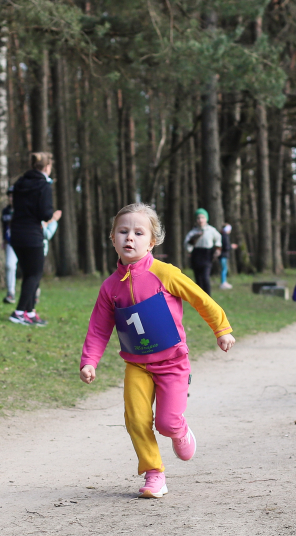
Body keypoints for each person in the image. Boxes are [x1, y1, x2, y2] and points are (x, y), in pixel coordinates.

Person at [79, 203, 235, 499]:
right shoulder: (110, 287)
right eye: (123, 232)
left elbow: (200, 298)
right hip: (137, 365)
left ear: (151, 242)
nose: (130, 238)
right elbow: (99, 328)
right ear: (112, 238)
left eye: (138, 233)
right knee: (136, 419)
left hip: (173, 362)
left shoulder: (164, 273)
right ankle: (154, 473)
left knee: (165, 421)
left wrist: (222, 328)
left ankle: (178, 430)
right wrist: (90, 361)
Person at [8, 152, 56, 326]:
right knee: (35, 274)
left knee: (29, 273)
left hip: (16, 233)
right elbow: (45, 213)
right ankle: (19, 312)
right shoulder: (44, 185)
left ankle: (30, 312)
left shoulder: (20, 183)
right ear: (47, 167)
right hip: (32, 234)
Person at [183, 208, 223, 294]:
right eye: (198, 218)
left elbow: (218, 239)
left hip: (207, 255)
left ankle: (208, 298)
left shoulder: (211, 230)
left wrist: (218, 249)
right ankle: (200, 300)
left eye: (202, 217)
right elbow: (187, 245)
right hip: (196, 255)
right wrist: (193, 240)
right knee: (198, 279)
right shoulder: (193, 232)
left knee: (205, 277)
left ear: (206, 219)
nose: (200, 220)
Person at [32, 210, 63, 310]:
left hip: (41, 251)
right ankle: (31, 297)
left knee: (36, 275)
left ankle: (34, 297)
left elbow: (47, 235)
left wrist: (46, 223)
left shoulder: (53, 223)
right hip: (30, 247)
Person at [1, 186, 16, 304]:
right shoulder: (5, 211)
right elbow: (4, 227)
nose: (12, 198)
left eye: (14, 195)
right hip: (11, 242)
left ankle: (34, 292)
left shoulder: (23, 210)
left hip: (24, 243)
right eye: (10, 196)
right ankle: (10, 292)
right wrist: (4, 240)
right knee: (9, 265)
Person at [219, 223, 235, 289]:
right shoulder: (225, 236)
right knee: (224, 269)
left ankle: (224, 282)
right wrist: (231, 246)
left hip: (222, 255)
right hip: (223, 255)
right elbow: (226, 247)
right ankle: (223, 283)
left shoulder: (222, 235)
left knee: (224, 268)